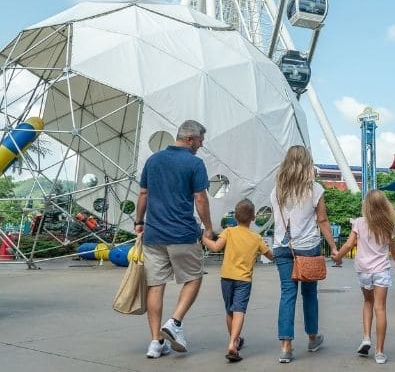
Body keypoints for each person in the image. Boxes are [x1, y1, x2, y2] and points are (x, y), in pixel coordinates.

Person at [134, 119, 214, 359]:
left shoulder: (154, 160)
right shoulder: (195, 163)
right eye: (200, 140)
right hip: (182, 234)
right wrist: (208, 228)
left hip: (154, 234)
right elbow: (200, 197)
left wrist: (139, 222)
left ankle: (155, 342)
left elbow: (143, 193)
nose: (201, 145)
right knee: (194, 277)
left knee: (155, 286)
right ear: (190, 139)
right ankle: (175, 322)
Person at [271, 145, 339, 364]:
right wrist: (334, 247)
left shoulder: (277, 190)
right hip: (308, 247)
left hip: (283, 247)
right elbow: (322, 220)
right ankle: (312, 338)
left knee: (287, 294)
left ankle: (285, 346)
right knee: (309, 295)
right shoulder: (314, 189)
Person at [333, 190, 395, 365]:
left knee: (367, 302)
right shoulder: (388, 225)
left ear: (366, 205)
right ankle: (379, 353)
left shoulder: (359, 223)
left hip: (364, 270)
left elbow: (350, 244)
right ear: (384, 205)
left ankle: (366, 338)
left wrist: (338, 256)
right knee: (380, 308)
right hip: (381, 270)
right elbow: (394, 251)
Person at [202, 199, 274, 363]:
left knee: (229, 311)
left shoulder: (228, 232)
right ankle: (233, 344)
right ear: (253, 217)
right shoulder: (256, 238)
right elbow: (270, 255)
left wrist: (202, 238)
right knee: (239, 310)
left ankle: (234, 340)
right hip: (244, 280)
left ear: (235, 216)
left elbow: (214, 247)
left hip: (226, 277)